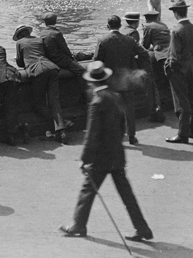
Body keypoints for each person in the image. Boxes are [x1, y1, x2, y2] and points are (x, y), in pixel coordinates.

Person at [59, 62, 153, 242]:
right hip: (117, 153)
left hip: (101, 157)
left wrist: (84, 159)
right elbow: (122, 126)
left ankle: (79, 225)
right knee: (127, 194)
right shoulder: (115, 96)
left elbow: (92, 134)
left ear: (91, 82)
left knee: (87, 191)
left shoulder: (96, 102)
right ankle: (142, 228)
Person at [94, 14, 150, 146]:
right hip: (126, 80)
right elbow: (144, 54)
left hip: (109, 81)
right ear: (120, 26)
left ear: (108, 26)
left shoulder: (102, 40)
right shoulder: (129, 40)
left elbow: (96, 61)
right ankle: (131, 136)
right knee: (129, 109)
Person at [14, 22, 68, 144]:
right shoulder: (39, 40)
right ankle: (62, 129)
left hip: (37, 71)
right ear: (29, 32)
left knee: (38, 102)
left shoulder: (19, 43)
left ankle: (60, 124)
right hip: (51, 68)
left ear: (19, 35)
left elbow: (20, 63)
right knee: (54, 100)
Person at [164, 0, 193, 144]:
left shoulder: (176, 30)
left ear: (175, 13)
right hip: (192, 68)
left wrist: (169, 70)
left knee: (181, 102)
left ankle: (182, 134)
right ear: (185, 11)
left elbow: (173, 57)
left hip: (179, 70)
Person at [140, 10, 171, 123]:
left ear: (147, 18)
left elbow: (145, 45)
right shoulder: (163, 24)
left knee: (154, 82)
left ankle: (157, 110)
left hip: (161, 56)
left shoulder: (147, 26)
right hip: (171, 54)